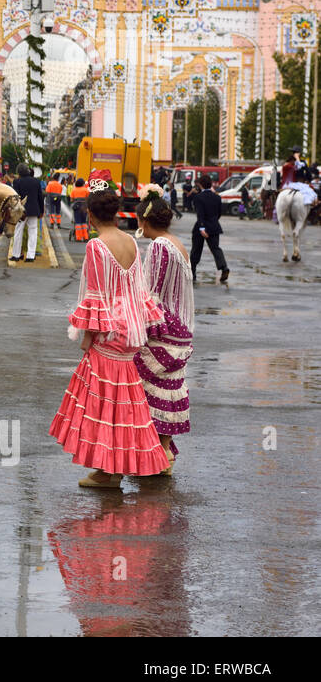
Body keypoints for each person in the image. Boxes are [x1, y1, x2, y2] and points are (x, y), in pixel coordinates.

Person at [49, 181, 168, 488]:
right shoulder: (130, 241)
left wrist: (87, 336)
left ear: (89, 215)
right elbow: (138, 288)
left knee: (103, 401)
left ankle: (109, 471)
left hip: (110, 329)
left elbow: (95, 294)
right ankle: (116, 467)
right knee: (125, 401)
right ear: (116, 213)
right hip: (132, 326)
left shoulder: (96, 246)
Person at [133, 185, 192, 476]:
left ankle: (158, 456)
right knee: (168, 392)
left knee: (147, 390)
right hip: (179, 327)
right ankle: (163, 453)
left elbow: (151, 294)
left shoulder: (159, 247)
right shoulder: (176, 243)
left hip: (163, 327)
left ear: (144, 221)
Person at [190, 174, 229, 284]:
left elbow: (200, 214)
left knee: (196, 250)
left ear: (200, 185)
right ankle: (224, 268)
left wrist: (202, 228)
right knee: (216, 249)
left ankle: (192, 273)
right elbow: (219, 213)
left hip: (201, 228)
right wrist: (213, 222)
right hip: (214, 226)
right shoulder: (217, 197)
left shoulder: (198, 197)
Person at [10, 164, 44, 261]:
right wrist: (41, 211)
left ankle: (16, 255)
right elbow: (40, 197)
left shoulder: (17, 181)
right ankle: (30, 256)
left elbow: (16, 196)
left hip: (21, 211)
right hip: (34, 210)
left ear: (19, 173)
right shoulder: (36, 181)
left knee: (18, 232)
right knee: (33, 232)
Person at [69, 176, 90, 241]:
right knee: (84, 222)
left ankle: (78, 238)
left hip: (76, 207)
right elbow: (88, 199)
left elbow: (71, 199)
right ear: (82, 183)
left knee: (78, 222)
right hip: (84, 207)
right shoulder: (86, 190)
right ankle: (86, 237)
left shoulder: (74, 190)